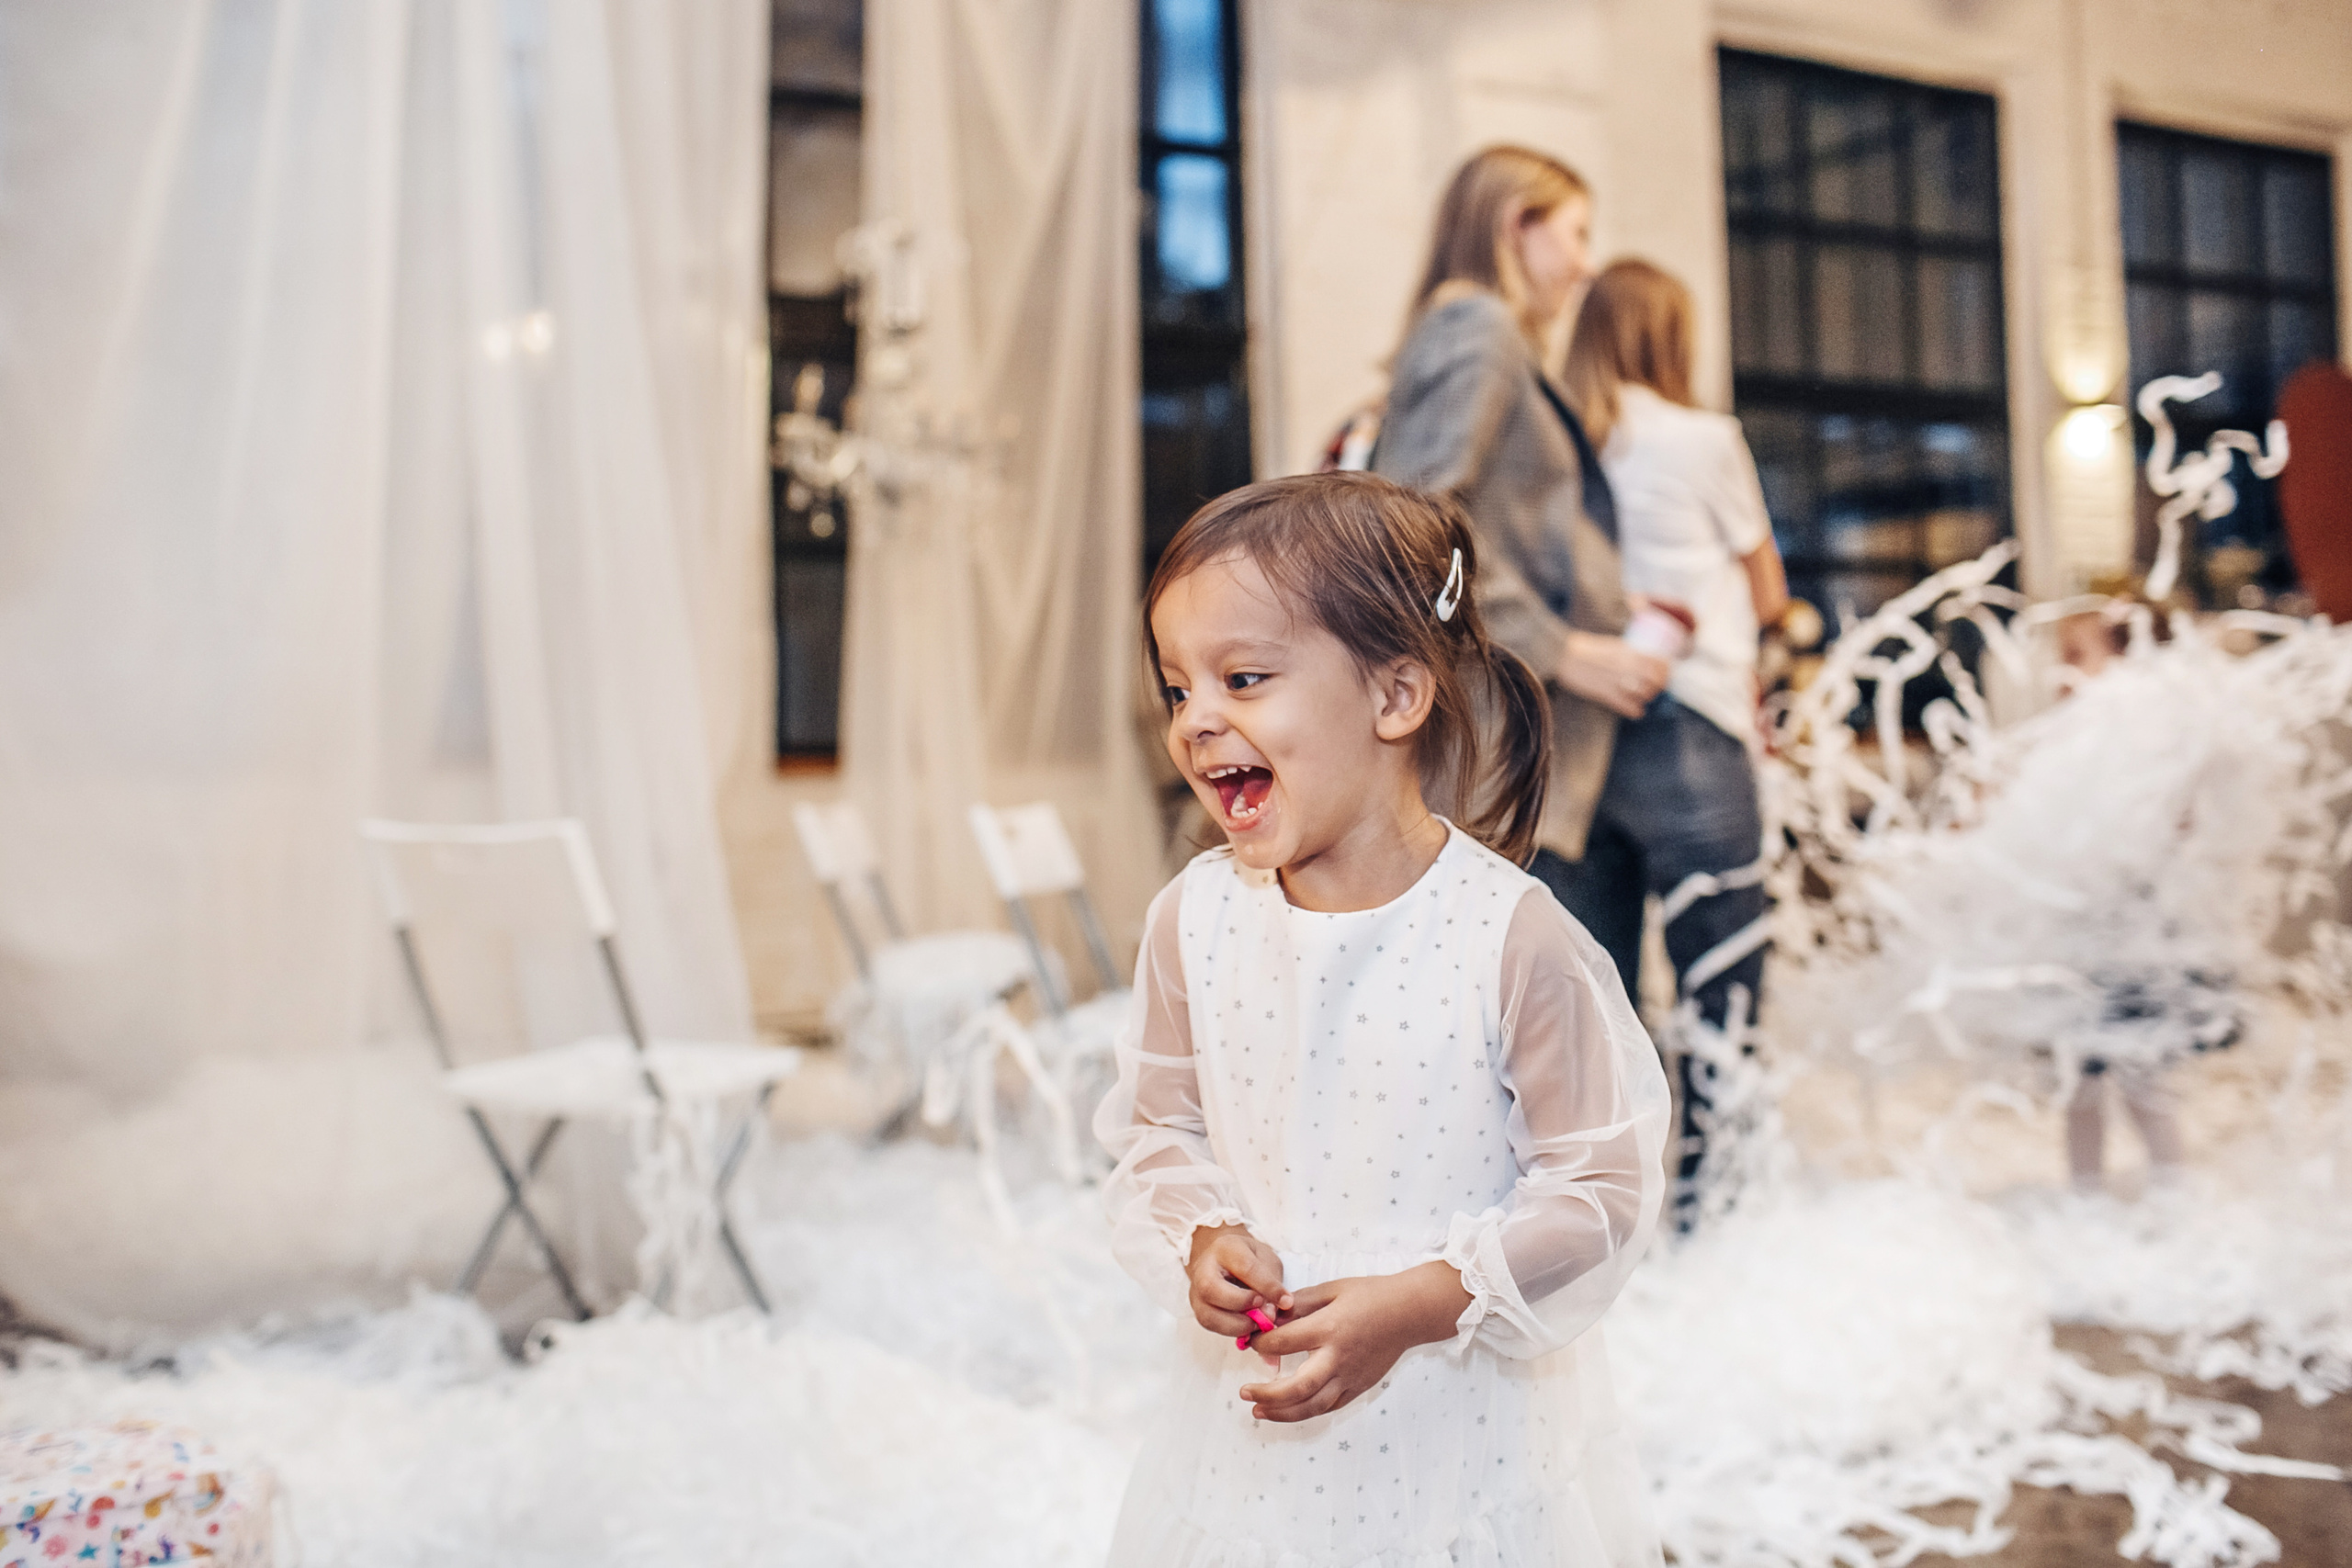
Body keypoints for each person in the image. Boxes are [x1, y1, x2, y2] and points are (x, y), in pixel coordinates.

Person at [1095, 472, 1671, 1568]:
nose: (1197, 719)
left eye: (1243, 678)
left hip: (1458, 1438)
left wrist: (1422, 1301)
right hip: (1252, 1440)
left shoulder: (1509, 938)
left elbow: (1598, 1190)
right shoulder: (1192, 920)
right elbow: (1156, 1126)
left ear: (1395, 696)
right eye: (1177, 689)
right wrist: (1200, 1232)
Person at [1557, 261, 1785, 1041]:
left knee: (1602, 1014)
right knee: (1723, 1002)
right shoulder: (1706, 439)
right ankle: (1709, 1133)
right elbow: (1769, 590)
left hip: (1580, 735)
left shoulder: (1559, 444)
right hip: (1691, 724)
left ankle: (1625, 1131)